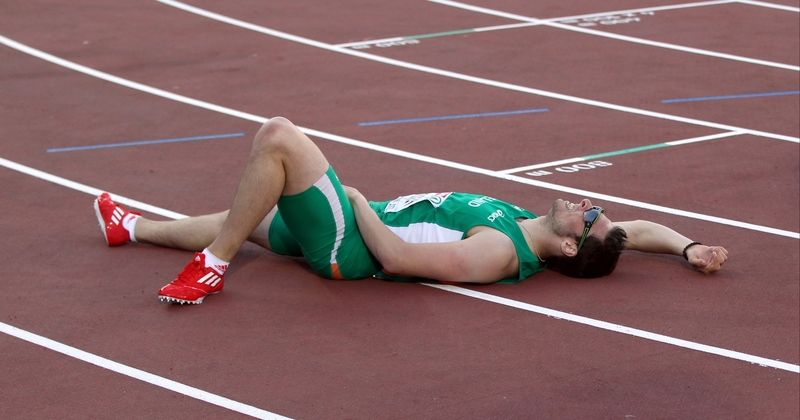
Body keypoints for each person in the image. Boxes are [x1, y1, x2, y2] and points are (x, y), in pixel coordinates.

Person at [93, 117, 728, 305]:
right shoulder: (535, 225)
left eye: (590, 218)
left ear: (568, 248)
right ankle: (132, 227)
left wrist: (360, 203)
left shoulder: (499, 248)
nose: (590, 206)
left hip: (351, 249)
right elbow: (631, 233)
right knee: (250, 214)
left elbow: (398, 258)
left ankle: (212, 266)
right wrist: (687, 247)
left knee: (281, 138)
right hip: (345, 230)